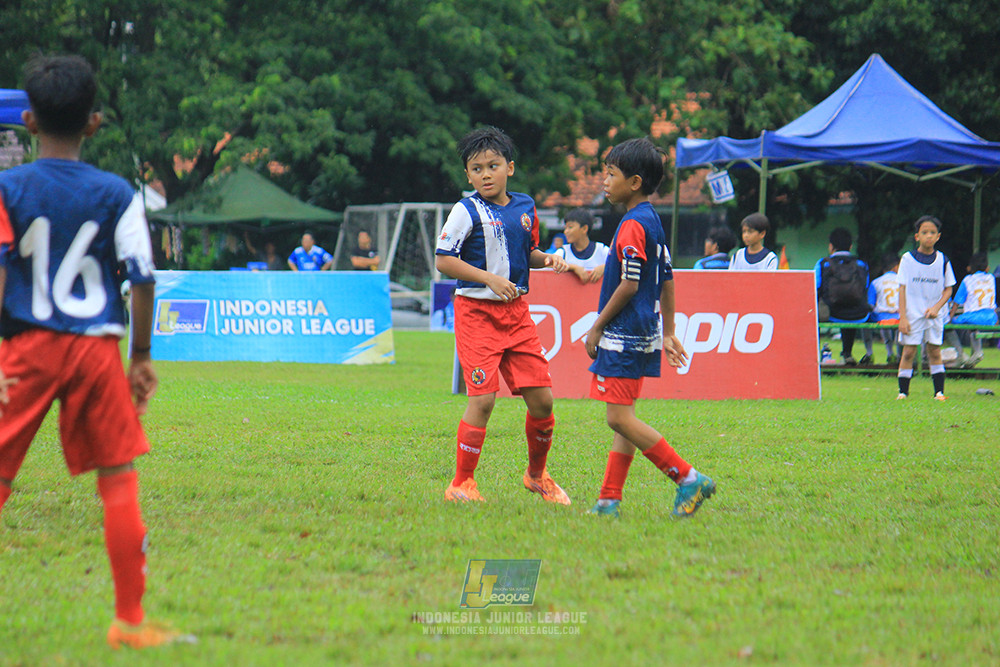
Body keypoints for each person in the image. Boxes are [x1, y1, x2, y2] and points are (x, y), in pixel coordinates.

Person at [0, 55, 192, 649]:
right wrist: (140, 357)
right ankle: (129, 623)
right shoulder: (116, 192)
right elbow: (141, 275)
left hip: (27, 346)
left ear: (28, 121)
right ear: (96, 122)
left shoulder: (7, 186)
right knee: (117, 479)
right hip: (96, 350)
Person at [434, 126, 572, 504]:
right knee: (483, 399)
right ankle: (461, 484)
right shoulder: (465, 211)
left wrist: (547, 259)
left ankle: (537, 475)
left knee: (542, 401)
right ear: (468, 175)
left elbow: (524, 252)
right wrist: (488, 279)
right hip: (477, 314)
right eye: (477, 169)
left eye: (493, 166)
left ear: (510, 167)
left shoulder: (526, 207)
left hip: (516, 314)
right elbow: (444, 259)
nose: (486, 174)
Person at [583, 137, 715, 519]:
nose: (604, 182)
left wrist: (597, 326)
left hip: (624, 335)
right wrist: (669, 332)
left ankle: (688, 477)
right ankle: (609, 499)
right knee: (622, 417)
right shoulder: (652, 220)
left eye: (611, 174)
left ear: (635, 182)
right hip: (644, 333)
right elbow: (668, 279)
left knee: (617, 417)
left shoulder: (630, 227)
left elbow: (630, 283)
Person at [897, 215, 956, 400]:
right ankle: (903, 393)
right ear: (917, 236)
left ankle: (939, 392)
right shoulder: (907, 259)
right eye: (924, 232)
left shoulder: (943, 260)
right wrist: (903, 317)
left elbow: (949, 289)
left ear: (938, 236)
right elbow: (902, 288)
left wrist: (937, 308)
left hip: (934, 315)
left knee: (934, 351)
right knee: (908, 352)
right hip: (912, 313)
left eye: (932, 233)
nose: (928, 236)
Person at [815, 228, 874, 365]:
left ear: (831, 246)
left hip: (829, 313)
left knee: (813, 315)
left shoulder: (823, 264)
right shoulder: (861, 264)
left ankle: (816, 354)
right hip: (858, 313)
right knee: (850, 308)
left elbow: (815, 288)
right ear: (851, 246)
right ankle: (847, 353)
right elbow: (865, 287)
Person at [945, 251, 997, 367]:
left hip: (974, 316)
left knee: (947, 325)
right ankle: (977, 352)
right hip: (991, 317)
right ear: (987, 267)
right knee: (973, 328)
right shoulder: (991, 278)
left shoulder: (968, 280)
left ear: (970, 268)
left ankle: (960, 354)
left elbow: (957, 302)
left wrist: (950, 317)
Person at [554, 208, 609, 283]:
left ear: (584, 229)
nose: (566, 232)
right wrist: (574, 268)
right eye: (565, 228)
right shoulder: (563, 252)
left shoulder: (602, 250)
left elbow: (618, 264)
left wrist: (605, 267)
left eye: (570, 227)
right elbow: (550, 264)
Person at [869, 253, 902, 364]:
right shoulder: (903, 281)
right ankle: (899, 355)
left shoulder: (876, 282)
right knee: (899, 331)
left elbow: (871, 304)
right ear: (896, 266)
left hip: (882, 316)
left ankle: (889, 353)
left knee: (877, 321)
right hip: (900, 316)